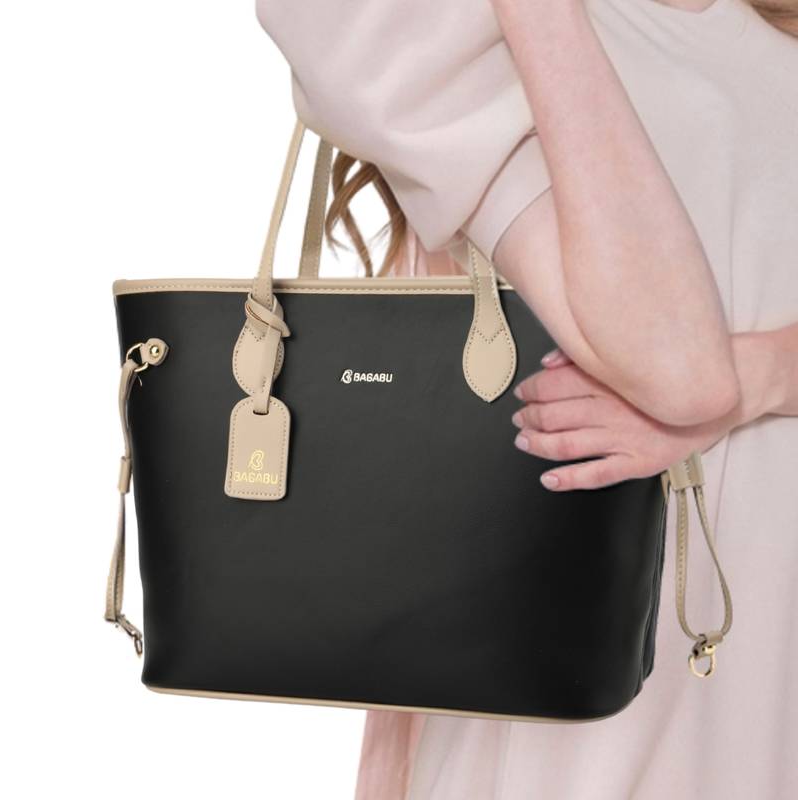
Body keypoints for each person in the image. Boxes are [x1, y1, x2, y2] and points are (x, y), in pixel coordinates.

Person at [256, 1, 798, 797]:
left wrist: (764, 376)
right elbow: (680, 369)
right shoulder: (426, 24)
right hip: (582, 625)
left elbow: (702, 385)